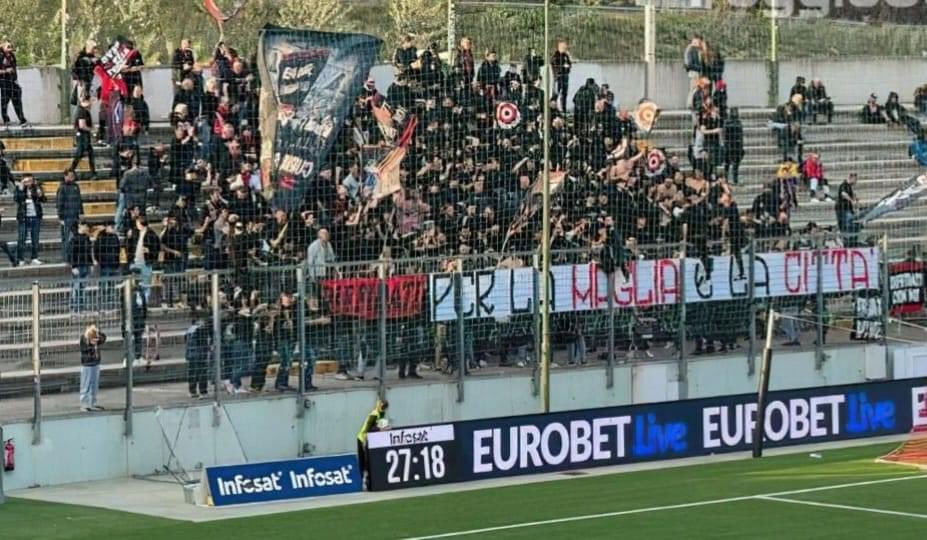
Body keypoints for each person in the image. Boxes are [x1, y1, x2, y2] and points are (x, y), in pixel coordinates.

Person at [356, 399, 389, 490]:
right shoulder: (374, 414)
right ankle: (362, 482)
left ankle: (366, 481)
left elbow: (379, 424)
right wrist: (381, 430)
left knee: (368, 461)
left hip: (369, 439)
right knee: (364, 461)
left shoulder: (380, 413)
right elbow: (368, 429)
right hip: (363, 439)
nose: (384, 409)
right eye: (383, 406)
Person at [14, 175, 45, 266]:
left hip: (35, 217)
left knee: (35, 238)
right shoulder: (19, 189)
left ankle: (34, 258)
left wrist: (41, 194)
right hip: (24, 217)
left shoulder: (36, 188)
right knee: (21, 239)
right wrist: (20, 188)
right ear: (23, 181)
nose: (29, 183)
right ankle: (21, 259)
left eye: (30, 181)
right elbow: (17, 199)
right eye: (26, 181)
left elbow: (43, 200)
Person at [57, 170, 84, 260]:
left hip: (75, 216)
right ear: (65, 176)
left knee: (75, 238)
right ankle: (66, 257)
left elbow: (79, 200)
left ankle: (74, 256)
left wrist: (81, 213)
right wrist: (61, 217)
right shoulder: (62, 188)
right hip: (66, 217)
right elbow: (59, 203)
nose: (72, 177)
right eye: (70, 176)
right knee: (67, 238)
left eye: (73, 176)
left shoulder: (76, 186)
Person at [94, 220, 121, 309]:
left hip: (113, 264)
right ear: (107, 227)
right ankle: (101, 302)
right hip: (105, 264)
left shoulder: (114, 237)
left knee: (111, 285)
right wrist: (100, 261)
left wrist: (117, 262)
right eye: (111, 227)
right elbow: (96, 250)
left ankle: (110, 302)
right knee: (103, 284)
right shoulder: (101, 237)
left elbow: (118, 250)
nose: (113, 228)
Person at [0, 41, 28, 127]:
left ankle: (22, 119)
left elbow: (14, 68)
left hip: (13, 81)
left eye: (10, 47)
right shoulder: (0, 56)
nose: (10, 49)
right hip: (4, 81)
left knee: (17, 100)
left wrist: (15, 79)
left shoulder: (12, 56)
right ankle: (6, 120)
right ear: (3, 48)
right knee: (5, 101)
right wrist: (5, 71)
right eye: (8, 47)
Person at [79, 324, 107, 412]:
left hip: (96, 364)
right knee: (86, 385)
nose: (95, 341)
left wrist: (98, 333)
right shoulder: (84, 339)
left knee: (94, 385)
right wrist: (91, 344)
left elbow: (104, 338)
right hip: (87, 364)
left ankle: (92, 403)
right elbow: (84, 349)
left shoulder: (96, 339)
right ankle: (84, 404)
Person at [185, 313, 212, 399]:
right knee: (202, 372)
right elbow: (203, 343)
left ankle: (192, 391)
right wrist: (208, 349)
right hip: (199, 353)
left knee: (192, 372)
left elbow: (186, 342)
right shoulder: (201, 329)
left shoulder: (189, 329)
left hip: (191, 353)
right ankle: (203, 392)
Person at [69, 222, 94, 313]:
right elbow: (72, 254)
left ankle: (81, 307)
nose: (86, 228)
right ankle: (75, 308)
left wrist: (90, 264)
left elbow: (89, 252)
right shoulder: (74, 239)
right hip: (78, 266)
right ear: (80, 226)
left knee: (83, 288)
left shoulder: (87, 238)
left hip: (85, 265)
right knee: (76, 288)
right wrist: (73, 266)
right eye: (85, 226)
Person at [70, 96, 98, 178]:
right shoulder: (81, 111)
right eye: (91, 101)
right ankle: (71, 170)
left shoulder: (84, 111)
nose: (92, 104)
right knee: (80, 153)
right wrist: (92, 129)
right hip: (82, 137)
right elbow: (82, 125)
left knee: (87, 153)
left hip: (84, 136)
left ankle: (92, 173)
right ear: (86, 101)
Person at [836, 173, 860, 247]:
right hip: (843, 210)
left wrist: (855, 200)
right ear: (851, 178)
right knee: (847, 226)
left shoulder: (849, 187)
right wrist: (852, 200)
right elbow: (843, 194)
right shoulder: (844, 185)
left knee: (851, 226)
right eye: (855, 179)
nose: (856, 182)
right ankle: (848, 242)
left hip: (847, 210)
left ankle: (851, 242)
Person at [723, 108, 745, 184]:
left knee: (733, 164)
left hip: (734, 146)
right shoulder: (730, 123)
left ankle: (733, 179)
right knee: (728, 164)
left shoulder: (736, 123)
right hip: (732, 145)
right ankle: (728, 178)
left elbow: (741, 136)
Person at [551, 40, 572, 113]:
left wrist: (568, 67)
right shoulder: (555, 55)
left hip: (565, 77)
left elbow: (569, 64)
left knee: (564, 94)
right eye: (563, 46)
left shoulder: (566, 55)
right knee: (556, 94)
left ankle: (564, 109)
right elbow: (554, 66)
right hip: (558, 77)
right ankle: (553, 109)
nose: (565, 47)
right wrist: (563, 67)